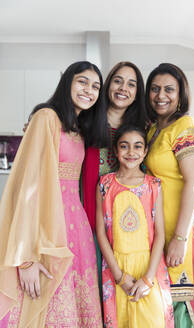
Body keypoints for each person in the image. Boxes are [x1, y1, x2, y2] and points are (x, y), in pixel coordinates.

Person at [0, 61, 106, 327]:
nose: (89, 90)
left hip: (76, 231)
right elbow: (27, 189)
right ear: (67, 82)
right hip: (45, 231)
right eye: (82, 81)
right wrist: (25, 259)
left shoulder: (80, 128)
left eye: (95, 86)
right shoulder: (46, 118)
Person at [144, 63, 194, 327]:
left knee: (180, 299)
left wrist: (180, 238)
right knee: (164, 298)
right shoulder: (154, 128)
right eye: (155, 88)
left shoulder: (185, 126)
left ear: (180, 94)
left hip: (184, 226)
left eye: (169, 89)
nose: (161, 95)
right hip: (165, 224)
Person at [96, 125, 174, 328]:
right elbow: (101, 233)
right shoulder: (104, 184)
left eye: (138, 146)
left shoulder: (154, 185)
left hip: (149, 267)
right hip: (116, 268)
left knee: (153, 319)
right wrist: (119, 276)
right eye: (124, 146)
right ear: (115, 150)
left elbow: (159, 235)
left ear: (145, 151)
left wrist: (148, 279)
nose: (131, 152)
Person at [82, 61, 148, 300]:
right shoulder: (85, 121)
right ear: (108, 84)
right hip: (87, 216)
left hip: (126, 223)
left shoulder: (143, 129)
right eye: (118, 80)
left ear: (137, 92)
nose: (124, 88)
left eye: (132, 84)